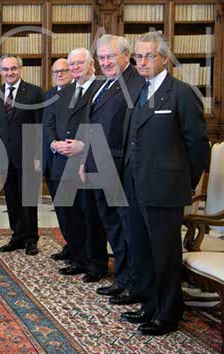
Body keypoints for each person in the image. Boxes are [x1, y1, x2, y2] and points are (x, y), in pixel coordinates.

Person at [120, 32, 209, 336]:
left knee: (164, 254)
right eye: (139, 56)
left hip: (165, 188)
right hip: (135, 185)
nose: (142, 61)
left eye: (149, 56)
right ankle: (149, 305)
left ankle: (168, 314)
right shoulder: (139, 91)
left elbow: (198, 146)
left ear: (165, 59)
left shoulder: (182, 93)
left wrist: (184, 183)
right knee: (142, 249)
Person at [83, 35, 143, 301]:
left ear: (126, 56)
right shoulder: (104, 83)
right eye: (102, 58)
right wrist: (86, 162)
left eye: (110, 57)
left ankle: (132, 282)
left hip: (120, 168)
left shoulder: (136, 83)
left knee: (125, 227)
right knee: (112, 225)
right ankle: (122, 278)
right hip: (99, 164)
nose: (105, 62)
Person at [44, 49, 104, 281]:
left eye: (80, 63)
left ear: (92, 65)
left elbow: (105, 126)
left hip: (87, 162)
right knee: (69, 215)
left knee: (90, 216)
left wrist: (83, 145)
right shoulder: (65, 92)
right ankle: (78, 259)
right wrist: (54, 143)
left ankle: (95, 263)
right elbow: (50, 123)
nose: (76, 68)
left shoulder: (102, 89)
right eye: (72, 64)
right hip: (61, 162)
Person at [0, 55, 43, 255]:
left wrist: (38, 155)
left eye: (13, 68)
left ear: (20, 69)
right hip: (4, 157)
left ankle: (31, 239)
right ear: (0, 71)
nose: (9, 72)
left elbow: (39, 126)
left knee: (28, 199)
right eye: (5, 69)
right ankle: (17, 236)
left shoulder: (34, 92)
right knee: (11, 199)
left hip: (28, 156)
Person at [41, 58, 72, 261]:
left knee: (74, 210)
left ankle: (80, 249)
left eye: (64, 71)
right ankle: (70, 245)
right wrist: (53, 143)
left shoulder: (78, 93)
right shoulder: (48, 95)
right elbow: (46, 125)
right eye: (55, 72)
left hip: (71, 160)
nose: (59, 75)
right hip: (52, 161)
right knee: (61, 209)